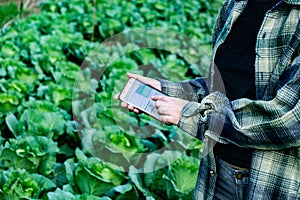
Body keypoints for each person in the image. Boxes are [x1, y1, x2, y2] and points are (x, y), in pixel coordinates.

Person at [114, 0, 300, 199]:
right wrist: (168, 92)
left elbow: (292, 121)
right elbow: (222, 85)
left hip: (272, 183)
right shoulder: (236, 5)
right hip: (216, 172)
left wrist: (192, 115)